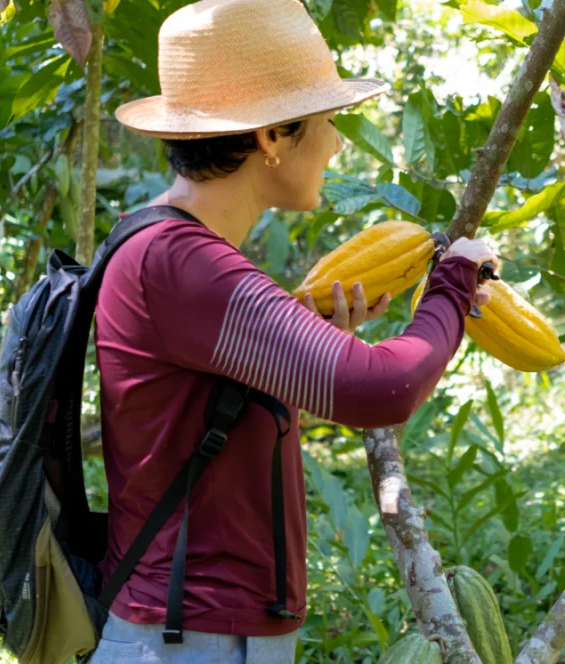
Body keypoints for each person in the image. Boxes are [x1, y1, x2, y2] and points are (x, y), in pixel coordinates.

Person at [90, 0, 497, 662]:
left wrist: (309, 335)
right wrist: (454, 283)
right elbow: (384, 389)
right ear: (272, 137)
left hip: (197, 631)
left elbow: (200, 408)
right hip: (189, 639)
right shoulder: (178, 261)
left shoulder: (166, 243)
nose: (336, 143)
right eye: (329, 121)